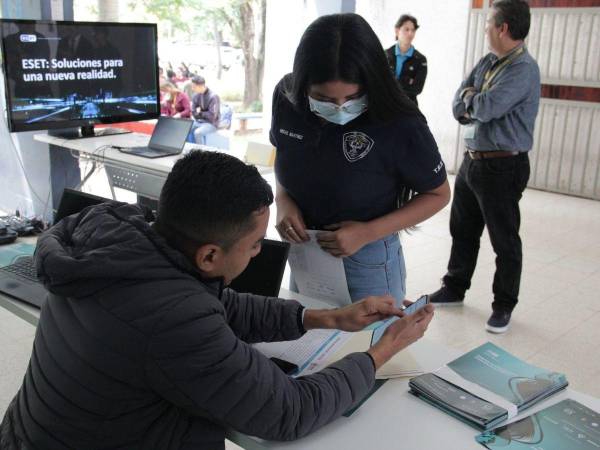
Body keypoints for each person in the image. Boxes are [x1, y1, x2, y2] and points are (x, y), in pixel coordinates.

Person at [0, 151, 434, 449]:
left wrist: (329, 318)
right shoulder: (174, 322)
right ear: (209, 255)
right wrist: (381, 352)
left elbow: (219, 306)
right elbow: (288, 411)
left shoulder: (117, 241)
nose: (259, 253)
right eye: (253, 246)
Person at [271, 13, 450, 306]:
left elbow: (439, 194)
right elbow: (286, 155)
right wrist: (284, 201)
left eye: (351, 97)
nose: (339, 108)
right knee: (307, 342)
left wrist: (367, 233)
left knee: (370, 348)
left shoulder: (399, 121)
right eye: (324, 99)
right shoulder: (288, 97)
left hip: (365, 256)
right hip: (307, 251)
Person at [428, 0, 540, 334]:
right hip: (472, 160)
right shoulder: (489, 61)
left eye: (488, 23)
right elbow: (458, 101)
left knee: (504, 240)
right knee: (462, 229)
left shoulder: (523, 69)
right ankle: (455, 285)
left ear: (503, 27)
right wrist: (469, 100)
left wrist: (471, 100)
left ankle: (503, 304)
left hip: (503, 166)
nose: (485, 28)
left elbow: (486, 106)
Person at [385, 14, 428, 105]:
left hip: (408, 107)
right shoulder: (385, 55)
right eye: (406, 29)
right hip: (386, 106)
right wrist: (408, 80)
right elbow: (379, 83)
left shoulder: (420, 60)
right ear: (397, 31)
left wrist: (394, 81)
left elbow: (417, 88)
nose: (410, 33)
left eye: (413, 30)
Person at [190, 75, 220, 144]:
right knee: (186, 127)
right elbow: (193, 112)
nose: (192, 88)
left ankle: (201, 152)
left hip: (212, 123)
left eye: (194, 86)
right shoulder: (196, 96)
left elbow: (212, 116)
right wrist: (200, 114)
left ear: (201, 85)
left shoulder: (213, 97)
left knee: (198, 133)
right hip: (199, 121)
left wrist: (200, 113)